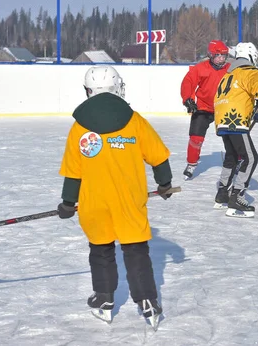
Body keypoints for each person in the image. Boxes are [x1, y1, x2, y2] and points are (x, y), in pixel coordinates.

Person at [57, 65, 173, 328]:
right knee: (135, 250)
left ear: (88, 91)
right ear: (118, 87)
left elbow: (73, 172)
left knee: (101, 251)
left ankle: (104, 299)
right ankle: (147, 302)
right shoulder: (135, 121)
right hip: (129, 201)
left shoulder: (79, 128)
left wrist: (67, 202)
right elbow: (158, 157)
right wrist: (164, 184)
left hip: (94, 202)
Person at [213, 42, 258, 218]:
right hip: (235, 119)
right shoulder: (249, 71)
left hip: (222, 119)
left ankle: (222, 193)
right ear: (252, 56)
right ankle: (237, 196)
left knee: (231, 156)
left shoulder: (229, 74)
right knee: (250, 158)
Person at [180, 40, 231, 180]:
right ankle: (191, 163)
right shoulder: (200, 68)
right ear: (210, 55)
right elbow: (188, 82)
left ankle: (236, 160)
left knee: (232, 136)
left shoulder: (231, 69)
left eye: (224, 56)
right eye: (218, 56)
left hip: (223, 108)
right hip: (203, 107)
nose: (221, 59)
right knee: (195, 138)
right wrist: (187, 99)